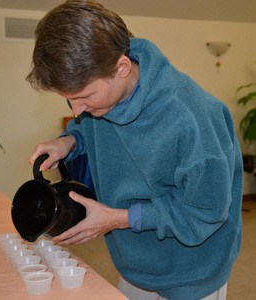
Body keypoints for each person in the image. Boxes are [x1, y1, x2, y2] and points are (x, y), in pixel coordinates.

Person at [26, 1, 243, 299]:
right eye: (68, 99)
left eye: (84, 97)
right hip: (134, 264)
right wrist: (71, 141)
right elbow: (92, 126)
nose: (77, 111)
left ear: (122, 68)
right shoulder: (103, 92)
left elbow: (205, 212)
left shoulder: (192, 117)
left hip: (192, 273)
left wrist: (119, 218)